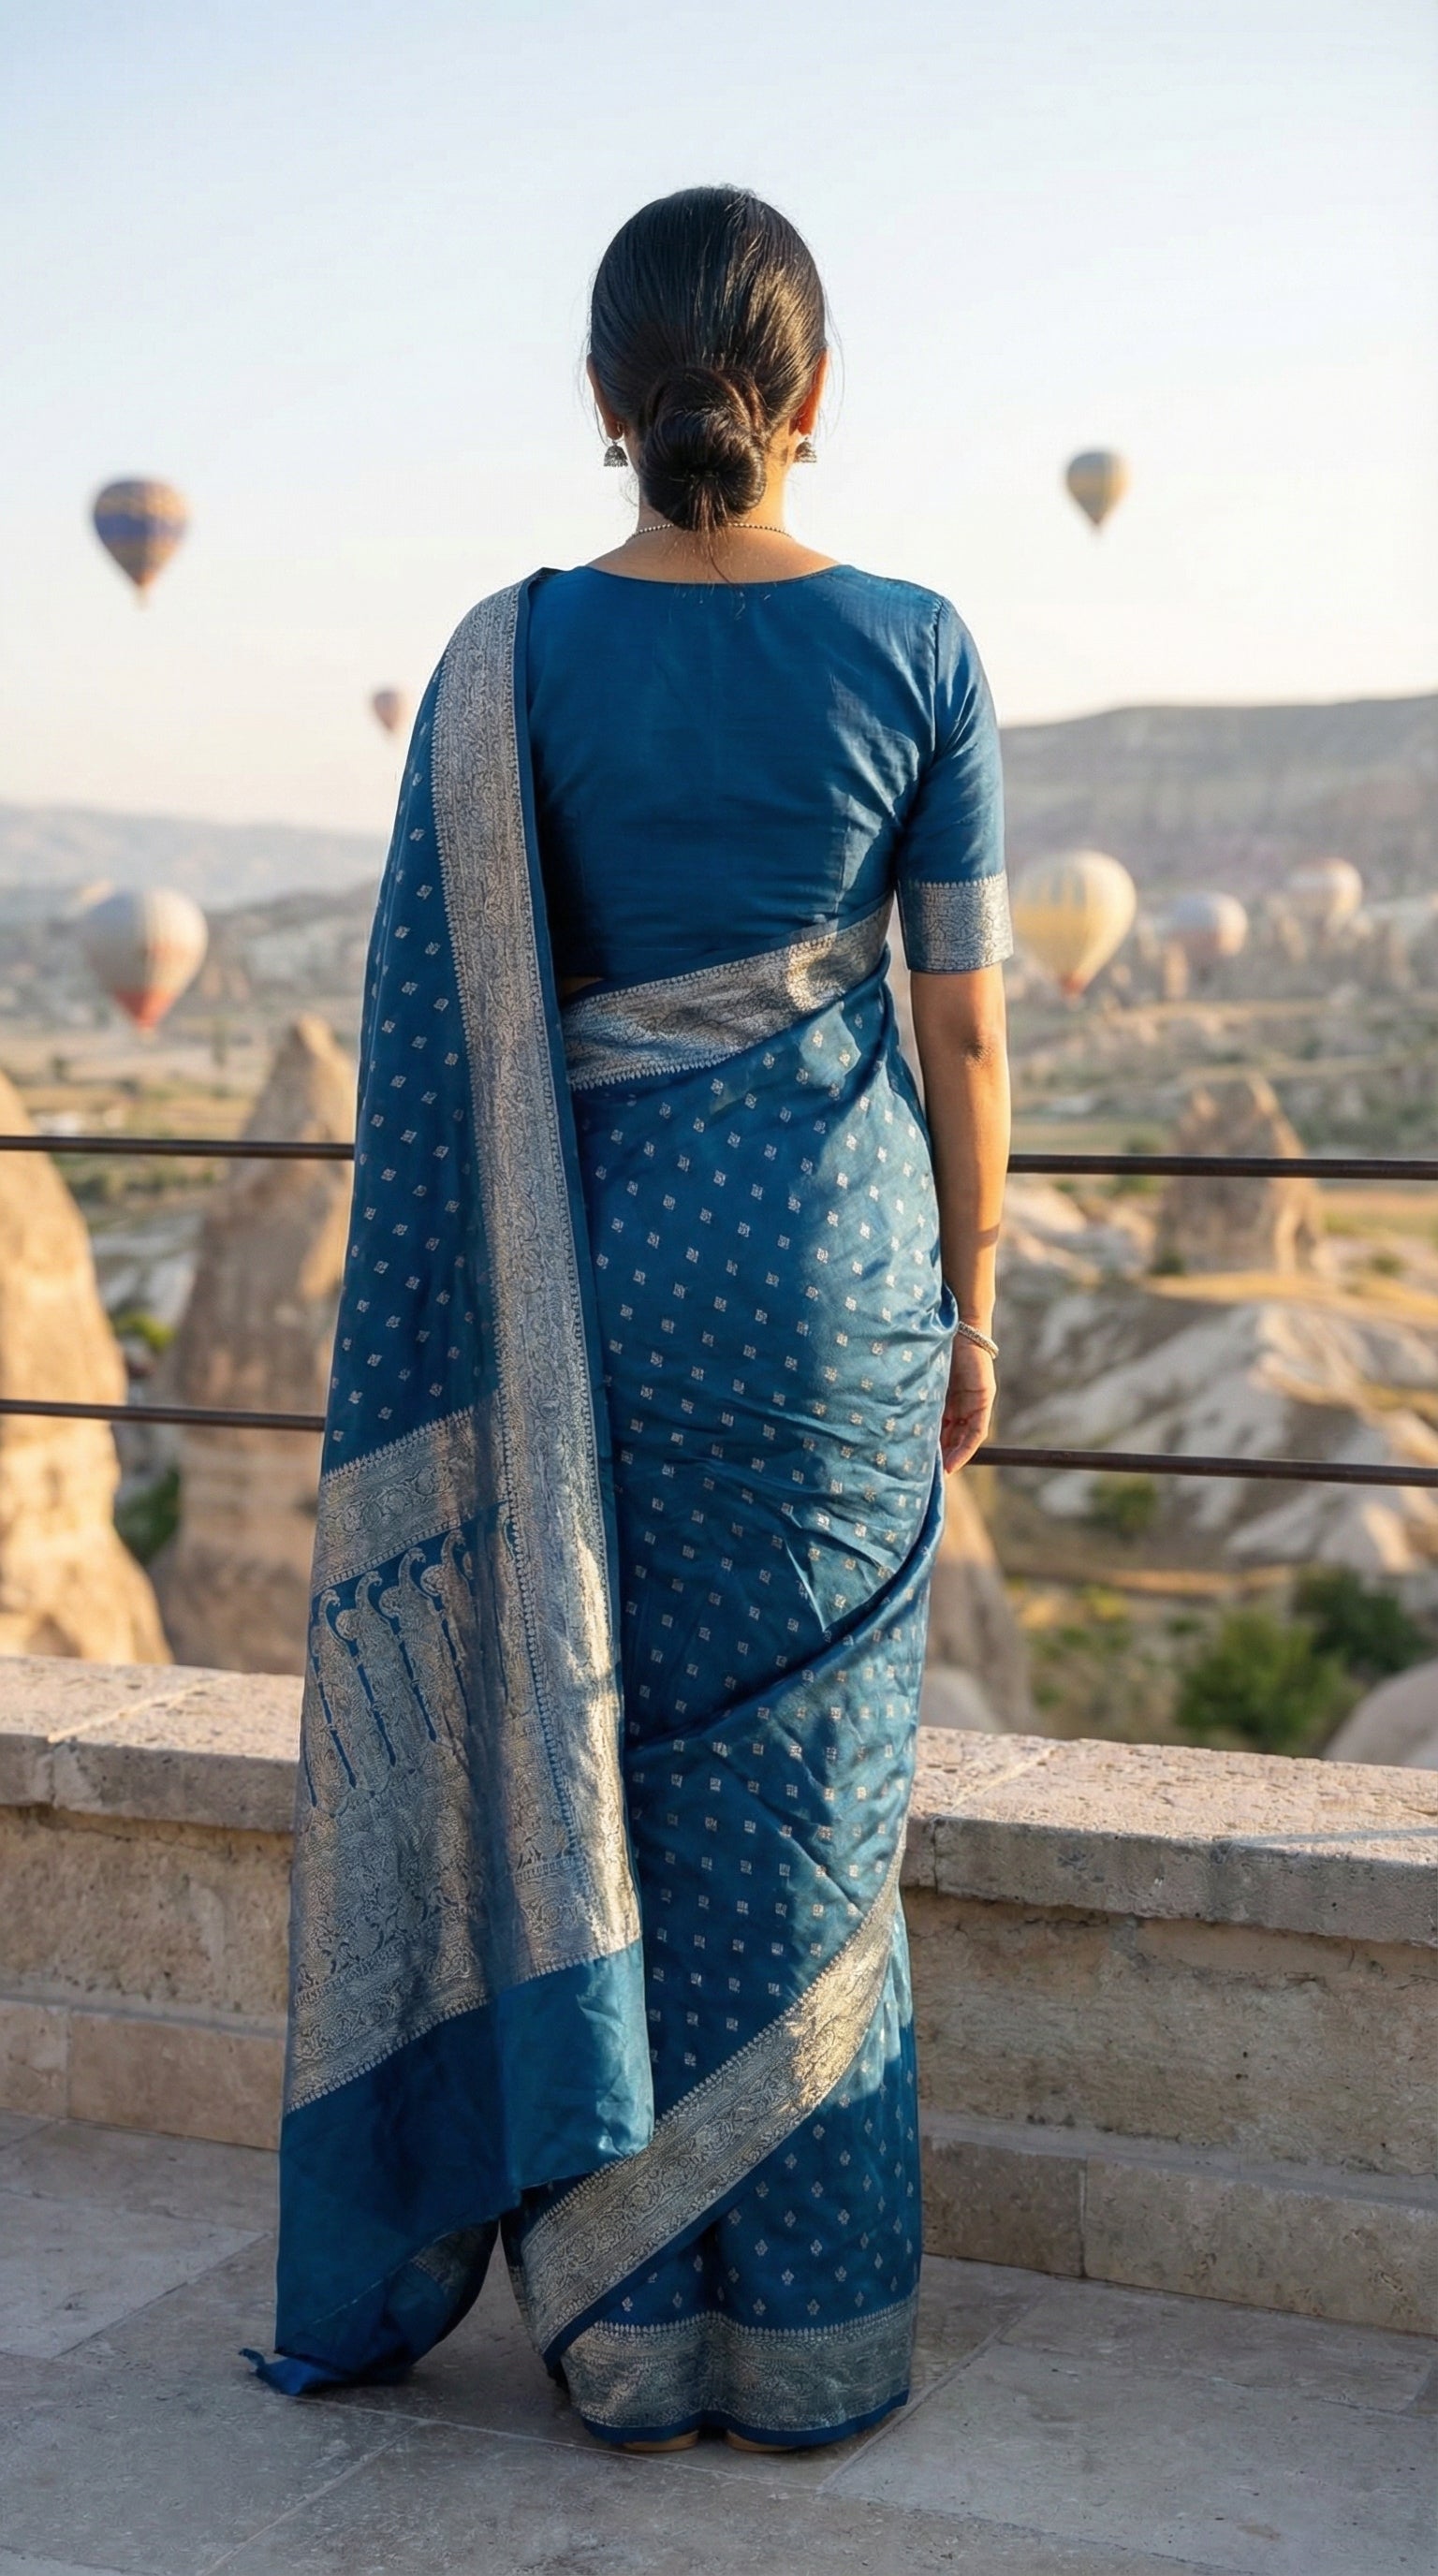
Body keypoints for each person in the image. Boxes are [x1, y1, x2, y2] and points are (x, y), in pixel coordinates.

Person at [250, 184, 1011, 2457]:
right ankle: (810, 2338)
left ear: (608, 405)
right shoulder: (924, 641)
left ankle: (622, 2323)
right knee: (809, 1810)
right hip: (842, 1287)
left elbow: (453, 1032)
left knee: (600, 1768)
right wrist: (973, 1304)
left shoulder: (515, 656)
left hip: (598, 1297)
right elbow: (963, 1033)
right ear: (813, 400)